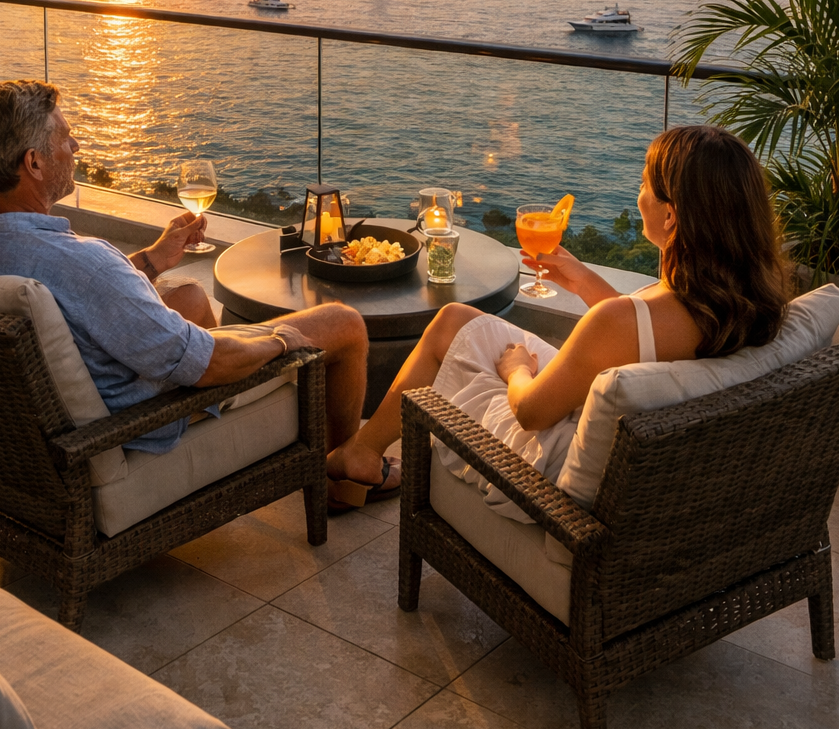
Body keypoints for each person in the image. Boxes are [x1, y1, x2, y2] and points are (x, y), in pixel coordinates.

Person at [325, 125, 792, 511]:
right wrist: (585, 282)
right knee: (454, 320)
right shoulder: (755, 303)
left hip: (556, 458)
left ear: (670, 217)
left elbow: (530, 412)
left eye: (645, 185)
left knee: (457, 340)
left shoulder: (617, 322)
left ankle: (360, 456)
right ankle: (362, 453)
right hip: (651, 459)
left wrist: (517, 369)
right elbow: (646, 338)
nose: (638, 194)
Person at [0, 80, 371, 469]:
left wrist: (154, 260)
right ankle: (338, 470)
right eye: (65, 139)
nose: (76, 148)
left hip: (39, 402)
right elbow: (208, 363)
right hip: (134, 419)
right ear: (34, 164)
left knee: (192, 298)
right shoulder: (85, 264)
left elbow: (87, 293)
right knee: (344, 324)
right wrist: (280, 341)